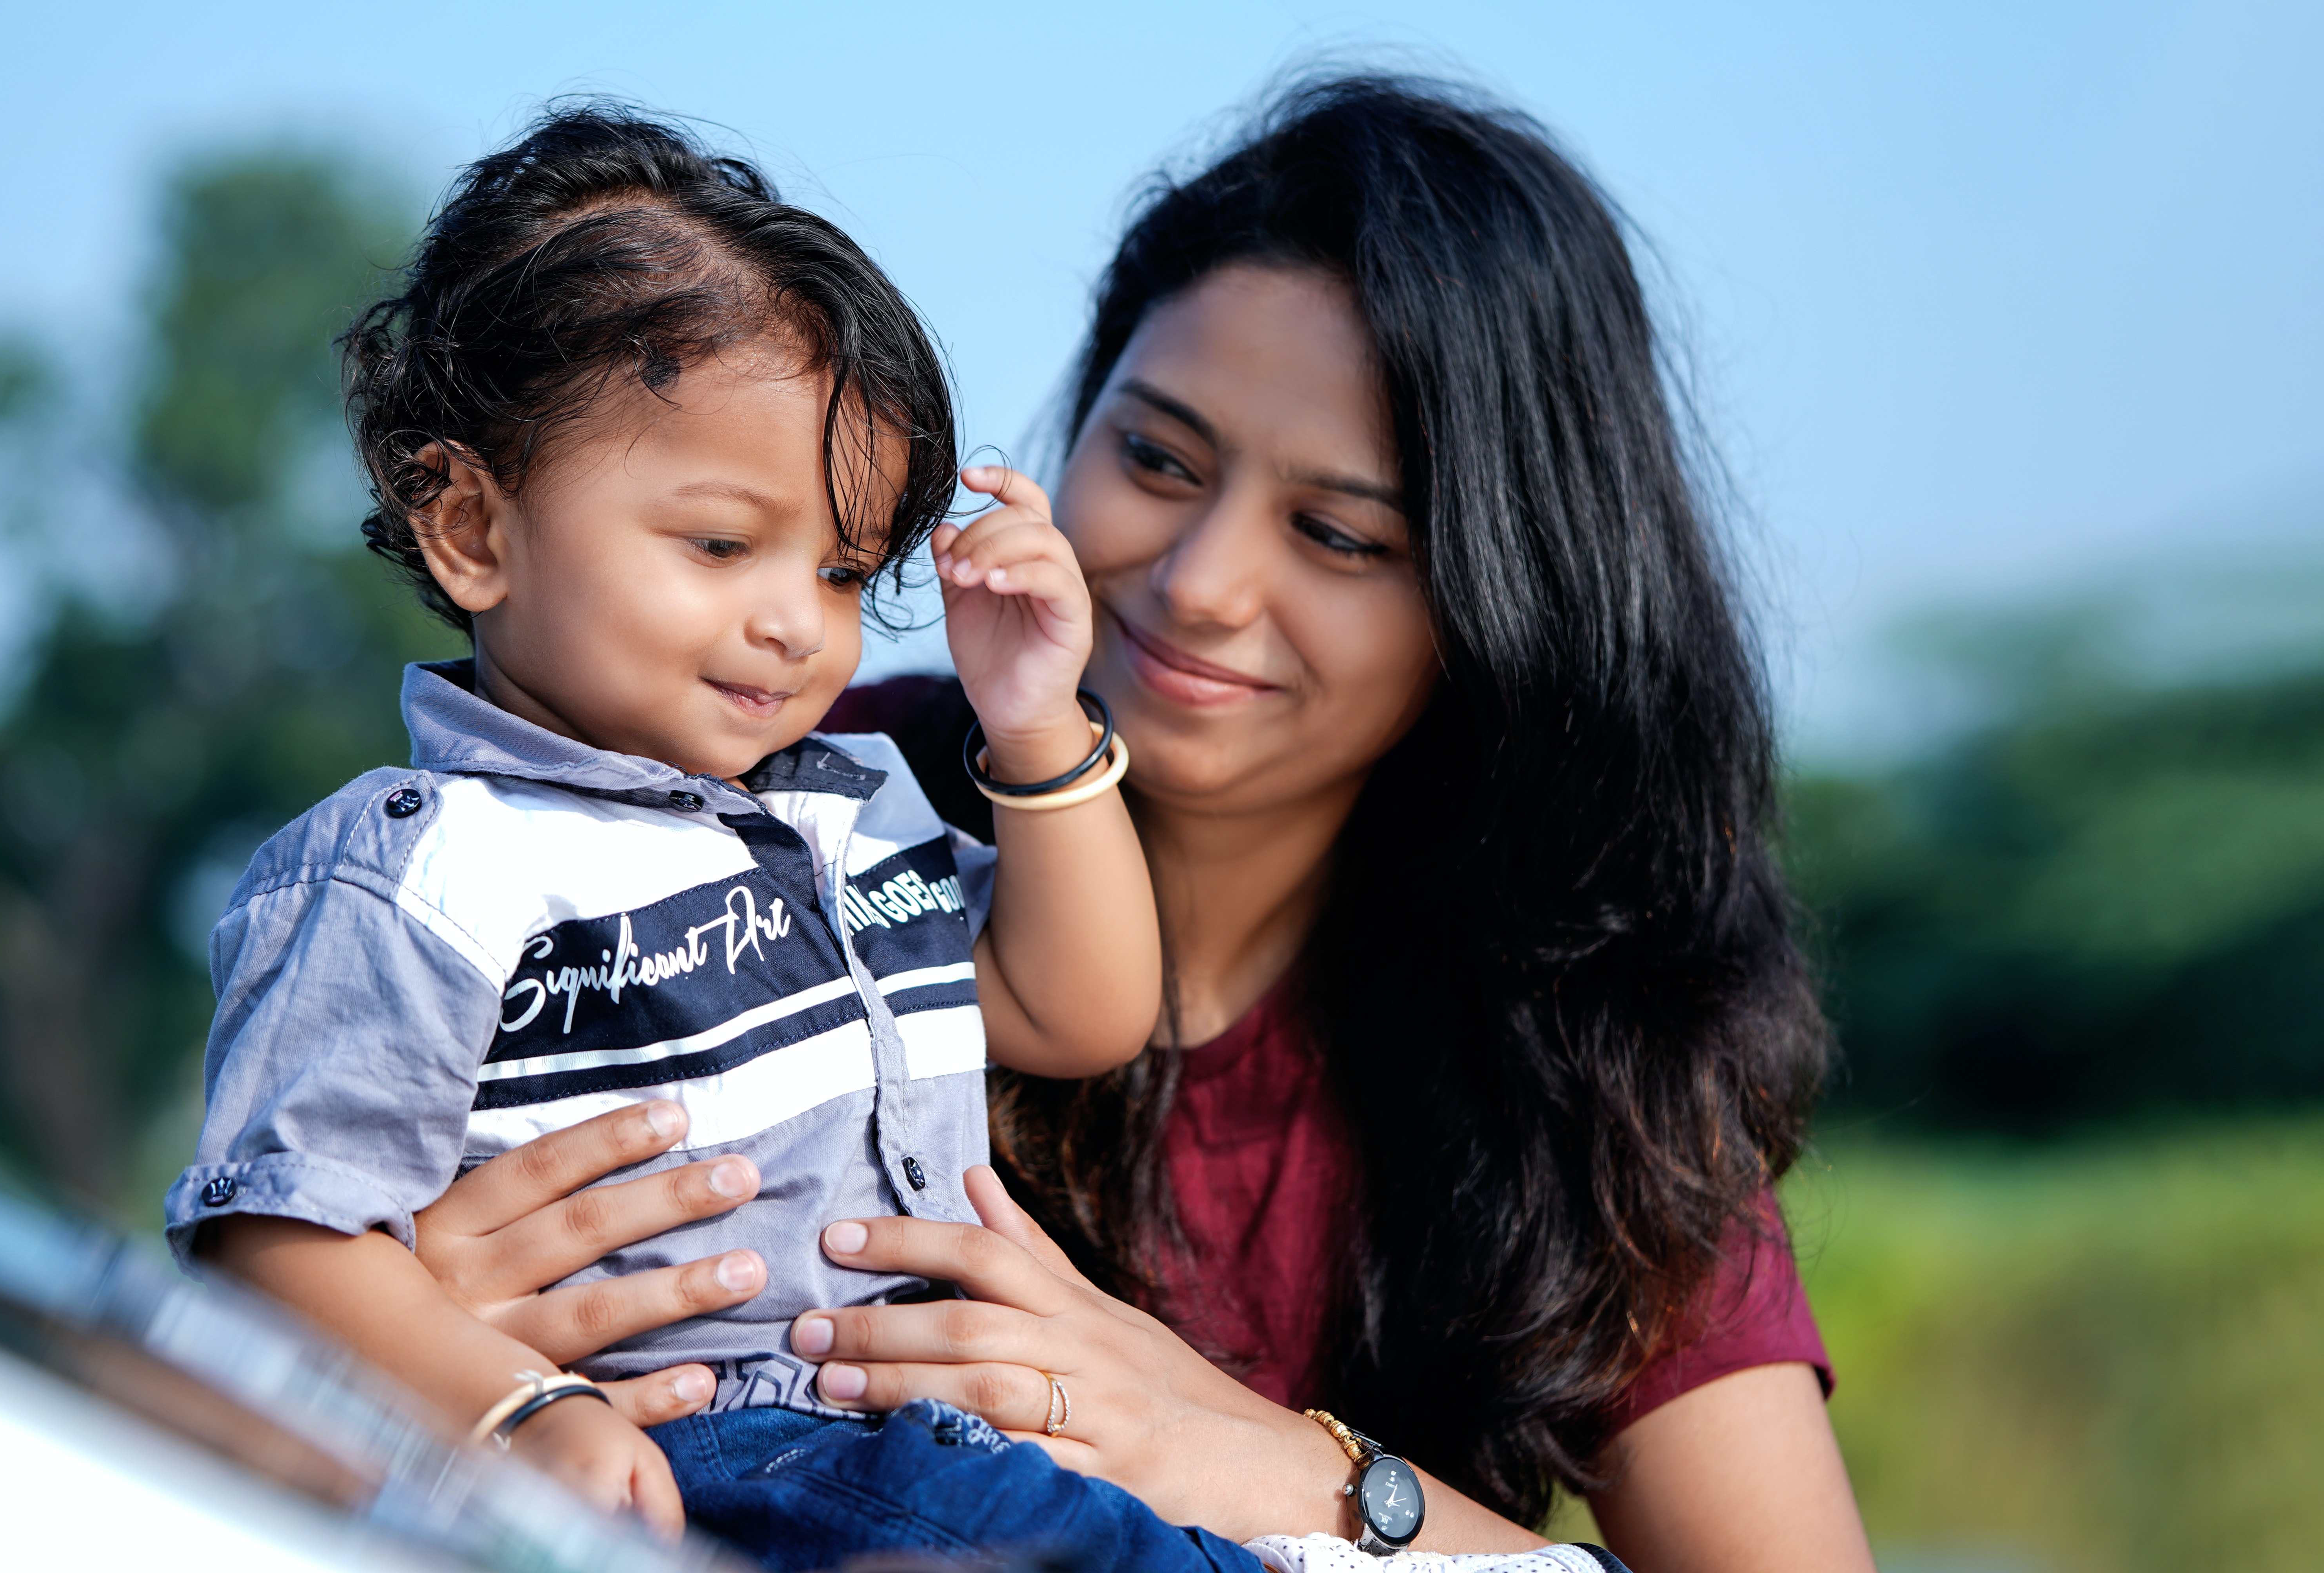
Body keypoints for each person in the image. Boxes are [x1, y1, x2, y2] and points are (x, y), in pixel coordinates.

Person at [407, 77, 1875, 1571]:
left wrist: (1284, 1472)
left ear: (1503, 600)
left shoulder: (1591, 1041)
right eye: (1160, 461)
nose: (1201, 582)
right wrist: (417, 1342)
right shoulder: (789, 802)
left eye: (1340, 536)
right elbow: (269, 1307)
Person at [163, 104, 1227, 1565]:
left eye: (846, 567)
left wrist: (1039, 724)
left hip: (932, 1439)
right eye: (723, 544)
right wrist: (517, 1414)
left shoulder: (849, 805)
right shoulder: (429, 869)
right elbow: (273, 1232)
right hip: (705, 1441)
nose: (796, 619)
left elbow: (1080, 1005)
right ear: (472, 528)